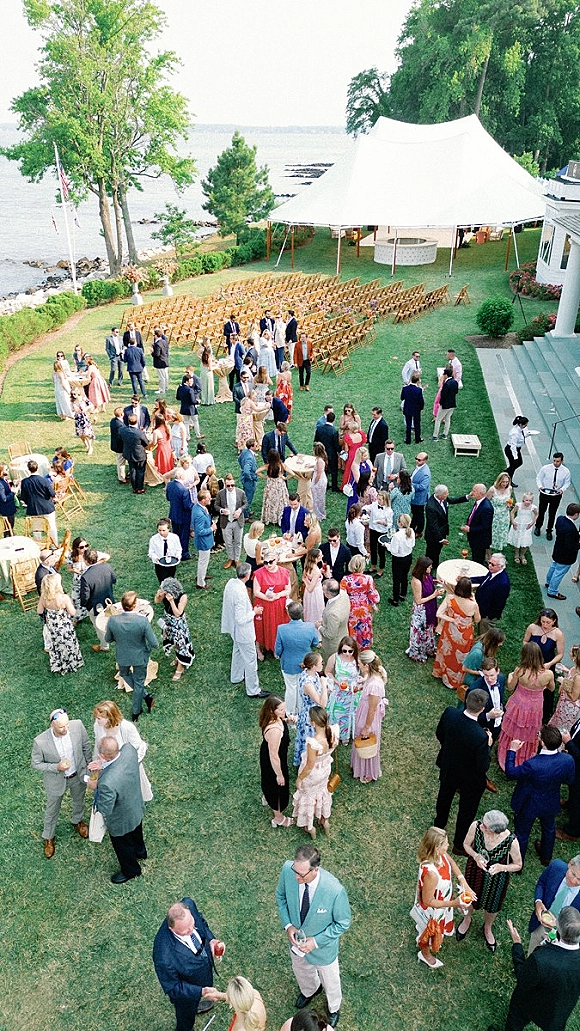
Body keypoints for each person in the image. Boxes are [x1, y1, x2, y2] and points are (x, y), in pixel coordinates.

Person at [276, 845, 351, 1028]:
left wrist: (315, 942)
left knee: (330, 980)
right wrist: (288, 926)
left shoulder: (334, 890)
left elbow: (342, 923)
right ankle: (310, 990)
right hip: (296, 943)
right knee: (301, 969)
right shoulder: (288, 870)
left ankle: (334, 1008)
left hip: (323, 949)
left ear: (315, 869)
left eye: (301, 875)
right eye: (295, 871)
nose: (296, 877)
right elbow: (281, 896)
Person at [487, 908, 580, 1031]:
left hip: (529, 1002)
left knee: (515, 1022)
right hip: (558, 1011)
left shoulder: (541, 959)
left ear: (559, 927)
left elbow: (522, 977)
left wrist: (517, 944)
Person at [505, 723, 575, 865]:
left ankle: (518, 863)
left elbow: (510, 773)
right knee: (549, 829)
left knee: (522, 833)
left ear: (542, 742)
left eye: (538, 735)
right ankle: (546, 857)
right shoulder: (568, 759)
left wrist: (512, 750)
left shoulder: (533, 764)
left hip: (529, 803)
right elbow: (569, 780)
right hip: (551, 800)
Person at [434, 689, 491, 855]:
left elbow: (439, 734)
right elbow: (483, 766)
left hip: (449, 766)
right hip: (469, 778)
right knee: (467, 810)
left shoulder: (450, 713)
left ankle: (438, 825)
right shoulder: (480, 736)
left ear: (466, 701)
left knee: (444, 796)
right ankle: (459, 844)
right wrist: (488, 745)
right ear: (482, 709)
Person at [457, 810, 522, 951]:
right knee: (469, 896)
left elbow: (518, 865)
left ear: (495, 832)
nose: (481, 826)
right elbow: (466, 845)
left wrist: (502, 867)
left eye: (485, 827)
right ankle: (467, 919)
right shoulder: (476, 826)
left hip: (497, 878)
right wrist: (476, 856)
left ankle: (487, 927)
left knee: (493, 904)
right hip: (474, 871)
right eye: (483, 822)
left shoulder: (511, 841)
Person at [153, 897, 221, 1031]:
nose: (192, 930)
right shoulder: (163, 957)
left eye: (192, 924)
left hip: (202, 972)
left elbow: (201, 922)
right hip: (186, 994)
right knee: (186, 1017)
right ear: (172, 929)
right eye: (186, 931)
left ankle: (197, 1004)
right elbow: (173, 987)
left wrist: (211, 940)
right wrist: (200, 992)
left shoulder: (188, 904)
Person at [31, 708, 91, 858]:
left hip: (77, 775)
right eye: (61, 727)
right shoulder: (40, 741)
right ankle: (48, 836)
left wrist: (89, 766)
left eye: (67, 725)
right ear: (52, 725)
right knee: (52, 810)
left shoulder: (77, 726)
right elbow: (36, 763)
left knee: (79, 800)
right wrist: (56, 767)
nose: (65, 729)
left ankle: (77, 821)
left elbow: (86, 746)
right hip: (56, 781)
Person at [411, 826, 470, 970]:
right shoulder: (431, 874)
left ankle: (422, 929)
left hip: (443, 902)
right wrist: (455, 903)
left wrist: (463, 881)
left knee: (431, 929)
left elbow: (452, 863)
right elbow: (428, 901)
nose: (448, 845)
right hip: (433, 910)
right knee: (428, 932)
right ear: (437, 848)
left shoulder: (439, 855)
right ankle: (425, 954)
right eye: (445, 844)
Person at [497, 643, 555, 770]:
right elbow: (552, 688)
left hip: (519, 704)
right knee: (531, 729)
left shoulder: (520, 670)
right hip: (535, 706)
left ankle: (510, 752)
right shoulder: (548, 674)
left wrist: (510, 676)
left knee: (514, 727)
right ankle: (525, 754)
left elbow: (510, 687)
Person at [104, 591, 158, 722]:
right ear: (135, 605)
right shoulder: (142, 621)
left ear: (122, 605)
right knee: (139, 682)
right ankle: (137, 709)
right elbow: (155, 644)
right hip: (140, 657)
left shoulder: (112, 620)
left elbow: (108, 639)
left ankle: (143, 700)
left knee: (125, 674)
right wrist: (146, 648)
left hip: (123, 656)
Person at [221, 563, 269, 699]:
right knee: (250, 660)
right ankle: (253, 690)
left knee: (237, 651)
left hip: (235, 630)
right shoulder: (241, 595)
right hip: (243, 632)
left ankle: (236, 676)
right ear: (247, 575)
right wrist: (254, 612)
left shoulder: (231, 583)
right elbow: (241, 619)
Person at [92, 699, 152, 802]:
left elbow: (139, 748)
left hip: (126, 767)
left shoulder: (127, 728)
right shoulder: (98, 726)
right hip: (107, 767)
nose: (97, 720)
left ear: (110, 717)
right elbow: (98, 744)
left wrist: (128, 765)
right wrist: (96, 761)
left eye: (99, 718)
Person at [293, 706, 339, 838]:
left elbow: (309, 766)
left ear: (313, 722)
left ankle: (310, 827)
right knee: (322, 793)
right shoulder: (334, 732)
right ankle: (325, 821)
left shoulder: (313, 743)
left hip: (313, 775)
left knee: (308, 798)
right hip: (325, 770)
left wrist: (299, 778)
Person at [432, 577, 480, 692]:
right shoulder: (473, 605)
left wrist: (452, 619)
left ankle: (442, 673)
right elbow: (477, 620)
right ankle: (454, 679)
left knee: (447, 652)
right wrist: (475, 602)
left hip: (450, 630)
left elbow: (439, 613)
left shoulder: (450, 598)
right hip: (465, 634)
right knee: (460, 656)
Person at [526, 857, 580, 953]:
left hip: (564, 939)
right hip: (540, 925)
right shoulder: (556, 867)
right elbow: (541, 883)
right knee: (533, 950)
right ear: (570, 863)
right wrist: (538, 901)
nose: (573, 881)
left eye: (579, 880)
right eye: (573, 874)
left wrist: (559, 928)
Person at [275, 601, 320, 715]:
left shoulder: (282, 629)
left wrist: (280, 656)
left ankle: (290, 713)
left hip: (288, 664)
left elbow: (278, 649)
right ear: (302, 612)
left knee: (291, 688)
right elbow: (315, 643)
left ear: (288, 614)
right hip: (306, 663)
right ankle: (301, 711)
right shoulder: (310, 627)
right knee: (303, 688)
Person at [351, 649, 388, 783]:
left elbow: (372, 709)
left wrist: (367, 727)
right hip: (364, 711)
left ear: (366, 665)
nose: (358, 665)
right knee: (359, 738)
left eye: (359, 663)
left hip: (368, 716)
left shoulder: (375, 685)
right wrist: (362, 687)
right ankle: (358, 767)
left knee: (366, 740)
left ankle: (368, 772)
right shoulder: (371, 676)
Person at [523, 608, 565, 723]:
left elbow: (560, 654)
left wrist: (550, 664)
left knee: (546, 689)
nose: (545, 625)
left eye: (548, 622)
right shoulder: (532, 627)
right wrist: (528, 653)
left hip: (547, 663)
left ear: (554, 621)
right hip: (531, 661)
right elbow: (525, 641)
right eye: (543, 621)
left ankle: (543, 711)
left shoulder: (558, 634)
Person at [37, 573, 84, 675]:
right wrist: (72, 604)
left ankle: (60, 664)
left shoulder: (43, 597)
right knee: (68, 643)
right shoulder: (63, 598)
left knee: (56, 644)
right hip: (64, 625)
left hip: (53, 626)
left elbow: (39, 611)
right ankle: (72, 662)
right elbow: (73, 612)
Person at [260, 695, 294, 828]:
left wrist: (287, 720)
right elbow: (273, 755)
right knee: (277, 787)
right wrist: (279, 774)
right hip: (274, 760)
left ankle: (266, 797)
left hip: (276, 755)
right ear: (271, 711)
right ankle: (278, 818)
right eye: (281, 710)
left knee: (269, 782)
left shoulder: (275, 718)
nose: (284, 711)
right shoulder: (274, 730)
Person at [154, 577, 195, 682]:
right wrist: (159, 596)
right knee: (172, 641)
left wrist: (171, 601)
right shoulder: (164, 592)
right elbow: (156, 601)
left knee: (181, 644)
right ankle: (178, 658)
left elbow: (178, 613)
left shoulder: (183, 596)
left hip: (178, 623)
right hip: (168, 620)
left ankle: (180, 668)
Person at [253, 547, 291, 658]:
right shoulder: (258, 573)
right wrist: (267, 598)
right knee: (260, 627)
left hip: (278, 604)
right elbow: (256, 592)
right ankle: (258, 648)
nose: (268, 565)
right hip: (263, 604)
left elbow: (288, 590)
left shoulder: (284, 572)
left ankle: (276, 647)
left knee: (277, 626)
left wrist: (277, 595)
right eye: (265, 562)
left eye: (271, 562)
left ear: (276, 560)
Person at [294, 652, 328, 766]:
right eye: (321, 663)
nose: (323, 664)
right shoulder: (308, 683)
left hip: (312, 710)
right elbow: (322, 703)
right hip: (311, 715)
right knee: (311, 738)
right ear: (313, 666)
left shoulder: (312, 673)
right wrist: (324, 685)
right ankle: (308, 761)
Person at [79, 548, 117, 651]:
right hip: (108, 601)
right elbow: (114, 580)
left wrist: (85, 605)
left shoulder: (85, 577)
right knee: (110, 620)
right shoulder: (107, 567)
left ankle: (104, 646)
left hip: (95, 606)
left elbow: (85, 597)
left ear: (86, 561)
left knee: (99, 626)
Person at [407, 555, 443, 662]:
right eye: (429, 567)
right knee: (421, 630)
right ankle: (418, 653)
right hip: (422, 610)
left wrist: (437, 582)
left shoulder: (426, 575)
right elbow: (418, 600)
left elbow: (430, 581)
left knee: (429, 629)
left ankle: (429, 648)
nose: (431, 568)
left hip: (430, 606)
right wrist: (434, 595)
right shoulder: (416, 581)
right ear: (423, 568)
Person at [340, 554, 379, 649]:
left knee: (352, 626)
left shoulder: (346, 579)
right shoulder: (368, 578)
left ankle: (351, 645)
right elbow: (372, 594)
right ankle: (364, 646)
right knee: (364, 626)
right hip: (364, 606)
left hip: (351, 606)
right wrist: (373, 604)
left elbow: (342, 595)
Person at [544, 502, 580, 600]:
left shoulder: (560, 519)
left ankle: (548, 582)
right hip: (565, 556)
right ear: (576, 514)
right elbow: (570, 546)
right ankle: (552, 591)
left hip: (558, 550)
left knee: (553, 567)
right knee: (559, 573)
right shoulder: (571, 529)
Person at [19, 458, 58, 544]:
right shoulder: (44, 480)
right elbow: (52, 493)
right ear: (37, 468)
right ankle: (54, 544)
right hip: (47, 507)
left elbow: (23, 497)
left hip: (34, 509)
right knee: (52, 527)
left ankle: (39, 545)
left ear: (28, 469)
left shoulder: (25, 482)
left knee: (36, 530)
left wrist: (27, 502)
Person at [534, 452, 571, 540]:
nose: (555, 463)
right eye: (554, 461)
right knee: (542, 511)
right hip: (545, 493)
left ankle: (549, 530)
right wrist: (540, 486)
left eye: (557, 461)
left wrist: (562, 489)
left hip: (556, 495)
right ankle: (538, 526)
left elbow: (567, 483)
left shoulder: (566, 471)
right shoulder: (545, 468)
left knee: (552, 513)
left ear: (561, 461)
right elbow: (539, 478)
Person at [472, 553, 512, 634]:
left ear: (501, 566)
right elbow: (484, 579)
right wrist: (469, 579)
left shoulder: (503, 583)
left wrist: (488, 617)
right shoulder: (493, 572)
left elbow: (499, 604)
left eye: (493, 564)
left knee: (484, 636)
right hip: (481, 609)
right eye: (489, 563)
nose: (489, 566)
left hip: (487, 616)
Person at [216, 474, 247, 570]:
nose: (230, 487)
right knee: (228, 542)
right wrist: (222, 510)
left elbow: (245, 503)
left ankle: (236, 559)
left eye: (232, 485)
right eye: (228, 485)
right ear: (225, 484)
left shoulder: (240, 492)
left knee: (238, 541)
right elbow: (216, 505)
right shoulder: (220, 493)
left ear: (234, 483)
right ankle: (230, 558)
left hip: (238, 521)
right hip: (226, 521)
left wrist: (240, 510)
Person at [460, 483, 494, 565]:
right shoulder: (479, 501)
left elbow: (486, 527)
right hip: (475, 537)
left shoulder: (486, 508)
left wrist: (470, 529)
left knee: (478, 560)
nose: (472, 492)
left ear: (481, 493)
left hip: (480, 540)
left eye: (474, 491)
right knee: (475, 556)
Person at [318, 581, 350, 665]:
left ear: (328, 594)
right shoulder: (343, 594)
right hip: (343, 633)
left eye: (323, 590)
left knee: (332, 663)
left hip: (334, 644)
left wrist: (319, 627)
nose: (322, 591)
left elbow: (330, 635)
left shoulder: (332, 613)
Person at [386, 513, 415, 604]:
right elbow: (413, 544)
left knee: (396, 579)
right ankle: (403, 594)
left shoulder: (397, 536)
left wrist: (386, 545)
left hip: (398, 560)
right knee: (404, 576)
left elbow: (394, 551)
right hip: (408, 557)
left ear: (400, 523)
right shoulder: (411, 531)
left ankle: (395, 600)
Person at [550, 646, 580, 733]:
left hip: (569, 707)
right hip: (563, 702)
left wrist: (563, 682)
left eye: (571, 652)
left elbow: (574, 697)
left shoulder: (578, 677)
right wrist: (566, 670)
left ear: (575, 657)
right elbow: (572, 676)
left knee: (562, 728)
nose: (569, 653)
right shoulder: (574, 668)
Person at [166, 467, 194, 558]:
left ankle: (175, 551)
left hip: (173, 514)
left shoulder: (170, 485)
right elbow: (187, 506)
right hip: (183, 516)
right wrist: (194, 505)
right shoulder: (184, 490)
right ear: (181, 476)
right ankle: (184, 554)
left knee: (175, 534)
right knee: (184, 535)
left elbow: (168, 498)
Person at [191, 489, 215, 591]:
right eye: (209, 498)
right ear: (203, 500)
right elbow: (200, 531)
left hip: (205, 540)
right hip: (203, 542)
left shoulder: (198, 507)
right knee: (203, 562)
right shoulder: (199, 514)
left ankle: (202, 575)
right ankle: (200, 583)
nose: (211, 499)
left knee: (203, 561)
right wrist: (211, 529)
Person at [258, 450, 290, 526]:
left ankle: (270, 518)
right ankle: (280, 518)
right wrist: (285, 478)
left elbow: (257, 471)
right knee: (280, 501)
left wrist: (266, 477)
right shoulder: (281, 465)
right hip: (280, 484)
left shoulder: (268, 466)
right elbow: (292, 473)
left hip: (270, 485)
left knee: (270, 500)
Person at [119, 413, 148, 494]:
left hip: (129, 453)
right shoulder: (140, 433)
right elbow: (146, 443)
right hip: (139, 454)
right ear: (137, 421)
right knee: (140, 471)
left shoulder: (123, 430)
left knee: (132, 470)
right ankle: (140, 488)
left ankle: (134, 488)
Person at [148, 517, 182, 584]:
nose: (161, 532)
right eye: (159, 530)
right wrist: (155, 557)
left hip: (171, 563)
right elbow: (151, 552)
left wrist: (178, 556)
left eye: (164, 530)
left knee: (171, 579)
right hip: (160, 564)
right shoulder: (154, 539)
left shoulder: (174, 537)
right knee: (162, 581)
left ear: (168, 529)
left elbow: (179, 549)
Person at [487, 473, 514, 553]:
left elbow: (509, 499)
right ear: (499, 481)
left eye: (507, 482)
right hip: (494, 515)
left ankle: (497, 549)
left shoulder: (509, 488)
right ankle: (488, 553)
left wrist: (509, 504)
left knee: (501, 533)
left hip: (504, 516)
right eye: (503, 482)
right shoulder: (492, 490)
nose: (505, 484)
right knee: (491, 534)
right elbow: (486, 502)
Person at [507, 492, 538, 564]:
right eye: (527, 500)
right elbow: (512, 512)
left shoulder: (533, 507)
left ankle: (522, 555)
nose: (528, 502)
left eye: (530, 500)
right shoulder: (518, 505)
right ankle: (516, 554)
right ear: (523, 499)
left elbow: (536, 514)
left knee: (525, 539)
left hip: (527, 526)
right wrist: (513, 521)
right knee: (517, 538)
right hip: (518, 524)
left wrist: (533, 522)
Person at [314, 411, 339, 493]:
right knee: (334, 470)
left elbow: (316, 441)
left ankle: (326, 485)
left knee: (324, 469)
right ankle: (334, 486)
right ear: (334, 420)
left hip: (321, 452)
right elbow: (336, 445)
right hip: (332, 454)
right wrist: (341, 451)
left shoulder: (319, 429)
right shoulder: (334, 431)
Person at [431, 365, 458, 440]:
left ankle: (435, 436)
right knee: (447, 419)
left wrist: (441, 403)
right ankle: (445, 434)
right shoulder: (455, 382)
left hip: (445, 405)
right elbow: (456, 392)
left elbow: (443, 395)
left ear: (446, 375)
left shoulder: (446, 384)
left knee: (438, 419)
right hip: (452, 404)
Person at [410, 453, 431, 537]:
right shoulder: (419, 467)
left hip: (419, 498)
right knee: (415, 514)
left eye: (419, 460)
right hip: (415, 496)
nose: (416, 461)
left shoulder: (425, 473)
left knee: (419, 515)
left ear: (425, 461)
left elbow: (422, 487)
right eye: (416, 458)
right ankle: (412, 527)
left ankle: (419, 531)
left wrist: (410, 484)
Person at [504, 415, 529, 486]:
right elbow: (513, 446)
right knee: (513, 465)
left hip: (516, 449)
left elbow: (521, 437)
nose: (526, 426)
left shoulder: (519, 429)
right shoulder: (515, 433)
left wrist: (528, 434)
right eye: (525, 425)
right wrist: (515, 457)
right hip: (511, 450)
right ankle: (508, 479)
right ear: (520, 424)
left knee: (518, 463)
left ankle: (505, 473)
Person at [401, 371, 425, 445]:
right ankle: (417, 439)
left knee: (408, 425)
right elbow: (421, 401)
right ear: (417, 381)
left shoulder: (405, 388)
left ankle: (408, 440)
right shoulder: (419, 390)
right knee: (417, 424)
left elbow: (402, 398)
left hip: (408, 408)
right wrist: (421, 408)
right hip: (416, 410)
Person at [340, 421, 366, 489]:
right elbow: (362, 444)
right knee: (360, 468)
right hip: (360, 453)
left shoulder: (347, 437)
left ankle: (348, 486)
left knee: (349, 470)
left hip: (352, 454)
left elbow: (346, 449)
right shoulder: (361, 434)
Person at [302, 548, 325, 625]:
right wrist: (305, 580)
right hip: (315, 593)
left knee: (309, 610)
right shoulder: (316, 571)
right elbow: (310, 589)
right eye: (320, 555)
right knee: (316, 611)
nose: (322, 556)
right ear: (316, 558)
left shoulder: (308, 565)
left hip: (308, 594)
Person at [238, 438, 258, 519]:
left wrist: (242, 467)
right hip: (249, 481)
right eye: (255, 445)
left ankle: (246, 511)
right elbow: (246, 470)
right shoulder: (250, 457)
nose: (257, 446)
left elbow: (239, 459)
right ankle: (246, 516)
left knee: (246, 495)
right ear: (251, 447)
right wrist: (251, 478)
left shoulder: (245, 451)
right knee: (248, 498)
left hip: (244, 479)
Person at [151, 413, 175, 478]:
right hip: (168, 447)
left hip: (161, 448)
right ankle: (169, 474)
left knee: (162, 462)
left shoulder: (156, 431)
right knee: (167, 461)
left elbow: (154, 443)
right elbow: (170, 438)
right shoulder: (168, 427)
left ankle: (163, 475)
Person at [109, 405, 127, 483]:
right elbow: (121, 437)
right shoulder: (120, 425)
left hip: (116, 444)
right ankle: (122, 478)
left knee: (120, 461)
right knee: (121, 462)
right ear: (122, 414)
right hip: (120, 446)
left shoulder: (113, 420)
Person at [311, 443, 328, 521]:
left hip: (319, 481)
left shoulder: (319, 461)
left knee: (318, 497)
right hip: (319, 479)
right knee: (316, 496)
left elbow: (319, 473)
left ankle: (319, 514)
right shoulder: (318, 459)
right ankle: (317, 512)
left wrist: (314, 482)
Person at [152, 326, 170, 395]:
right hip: (165, 360)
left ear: (156, 335)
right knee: (165, 375)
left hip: (160, 362)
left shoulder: (158, 343)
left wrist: (152, 352)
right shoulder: (164, 341)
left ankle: (162, 390)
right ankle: (165, 387)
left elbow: (157, 354)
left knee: (161, 377)